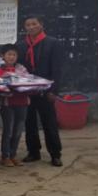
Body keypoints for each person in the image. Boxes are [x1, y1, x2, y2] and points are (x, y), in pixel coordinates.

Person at [21, 15, 64, 167]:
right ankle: (33, 152)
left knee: (49, 123)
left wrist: (54, 90)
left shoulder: (53, 43)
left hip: (46, 91)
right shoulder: (21, 45)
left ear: (41, 25)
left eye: (34, 24)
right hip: (27, 90)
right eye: (28, 25)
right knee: (29, 123)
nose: (31, 27)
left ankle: (55, 154)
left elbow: (57, 69)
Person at [0, 44, 29, 167]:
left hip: (22, 102)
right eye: (9, 54)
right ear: (2, 56)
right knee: (8, 131)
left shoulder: (22, 69)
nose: (11, 57)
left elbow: (29, 82)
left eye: (14, 55)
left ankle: (13, 155)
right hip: (7, 104)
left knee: (18, 131)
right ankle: (5, 156)